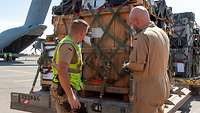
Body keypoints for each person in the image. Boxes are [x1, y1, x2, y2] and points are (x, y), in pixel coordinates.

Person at [124, 6, 170, 113]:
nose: (131, 25)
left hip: (147, 93)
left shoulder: (142, 36)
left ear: (137, 21)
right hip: (163, 87)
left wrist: (127, 65)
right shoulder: (162, 33)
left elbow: (138, 65)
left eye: (131, 22)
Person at [51, 19, 89, 113]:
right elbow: (62, 71)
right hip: (65, 90)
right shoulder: (68, 45)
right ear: (81, 33)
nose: (85, 36)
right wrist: (70, 96)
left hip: (66, 89)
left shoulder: (73, 44)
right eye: (85, 33)